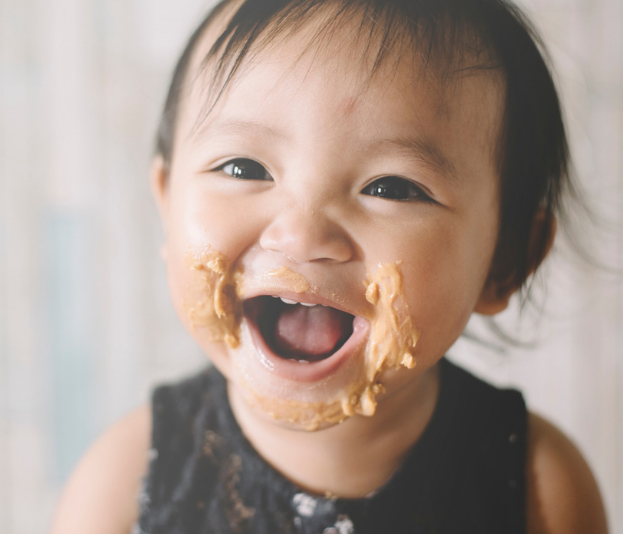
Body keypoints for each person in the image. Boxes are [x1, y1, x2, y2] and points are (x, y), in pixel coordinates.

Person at [50, 0, 609, 532]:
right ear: (167, 204)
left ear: (506, 260)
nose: (301, 235)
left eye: (393, 187)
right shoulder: (124, 484)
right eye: (244, 168)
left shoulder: (538, 488)